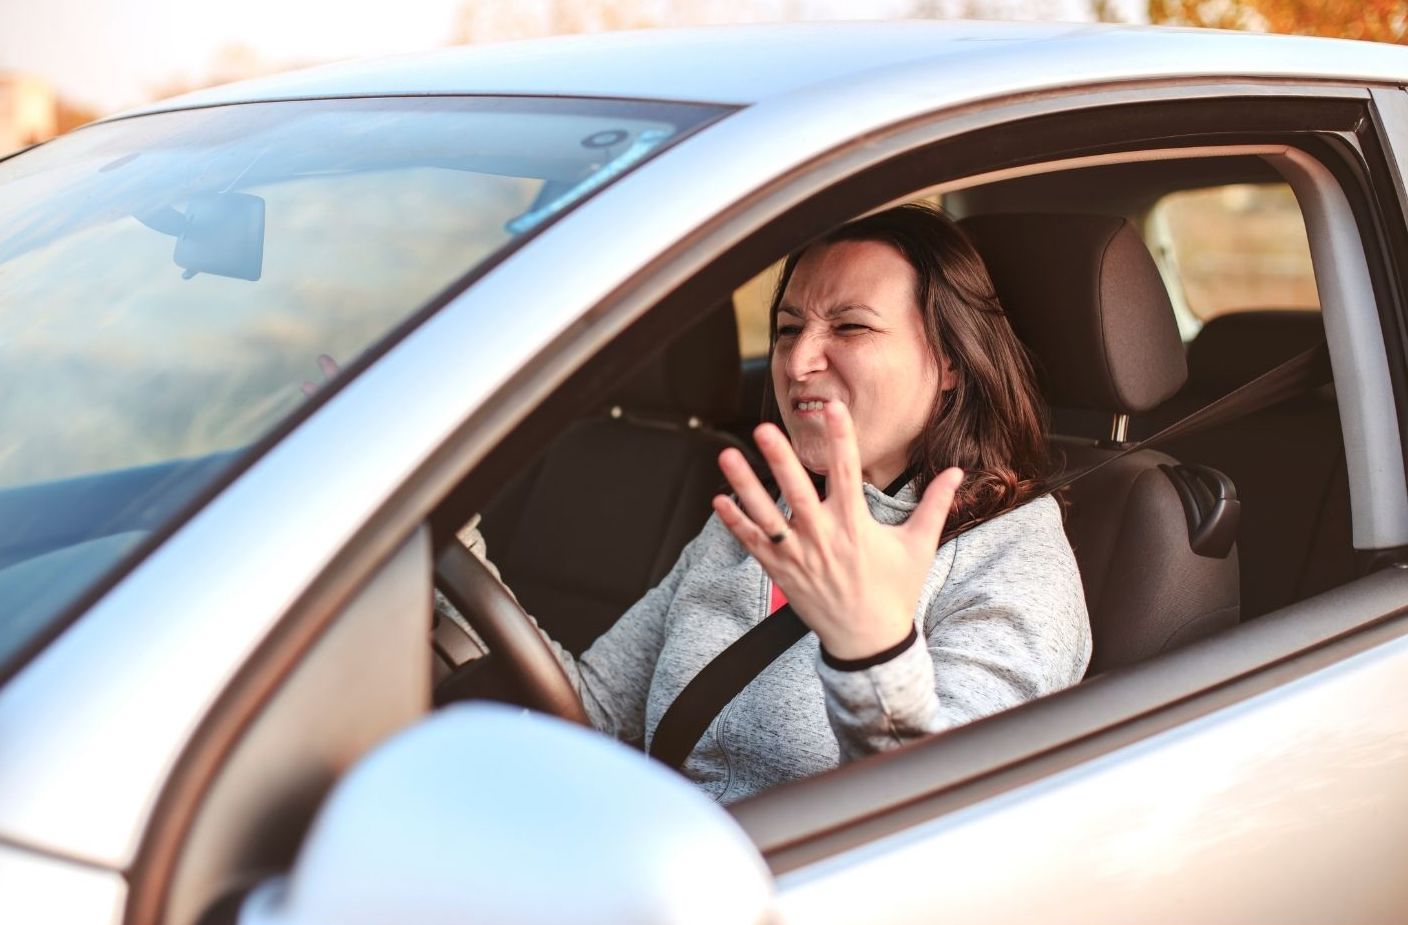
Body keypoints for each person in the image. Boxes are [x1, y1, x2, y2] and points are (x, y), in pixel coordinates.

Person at [453, 203, 1091, 804]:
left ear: (950, 360)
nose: (798, 360)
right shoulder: (757, 518)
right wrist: (445, 538)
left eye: (850, 326)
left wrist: (872, 649)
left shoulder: (1010, 553)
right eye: (788, 329)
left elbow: (943, 819)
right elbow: (591, 714)